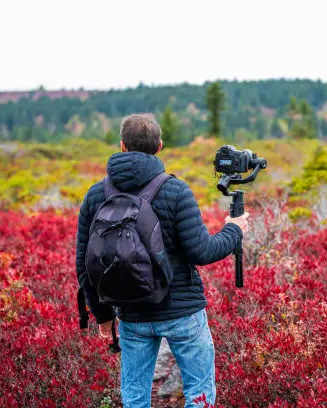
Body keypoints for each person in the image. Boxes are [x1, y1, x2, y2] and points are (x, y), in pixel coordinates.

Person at [75, 114, 249, 408]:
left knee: (135, 399)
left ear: (121, 145)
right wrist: (235, 229)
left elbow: (85, 265)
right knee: (199, 393)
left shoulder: (96, 195)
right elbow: (202, 252)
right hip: (184, 314)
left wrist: (102, 316)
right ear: (159, 146)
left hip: (132, 316)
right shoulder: (175, 190)